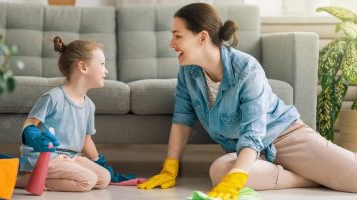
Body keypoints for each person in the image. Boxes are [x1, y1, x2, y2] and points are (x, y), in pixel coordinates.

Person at [137, 3, 357, 199]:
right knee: (220, 172)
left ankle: (313, 171)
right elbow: (182, 118)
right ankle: (312, 177)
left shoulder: (246, 68)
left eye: (177, 35)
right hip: (250, 151)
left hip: (286, 137)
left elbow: (253, 131)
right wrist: (170, 167)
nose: (171, 43)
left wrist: (239, 174)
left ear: (202, 37)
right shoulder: (188, 72)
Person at [15, 36, 111, 192]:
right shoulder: (53, 97)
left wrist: (98, 161)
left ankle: (44, 177)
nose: (106, 70)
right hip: (45, 156)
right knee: (88, 180)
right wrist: (35, 138)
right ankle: (25, 179)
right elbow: (29, 123)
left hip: (70, 158)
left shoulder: (89, 105)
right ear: (83, 67)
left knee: (104, 178)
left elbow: (86, 140)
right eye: (102, 64)